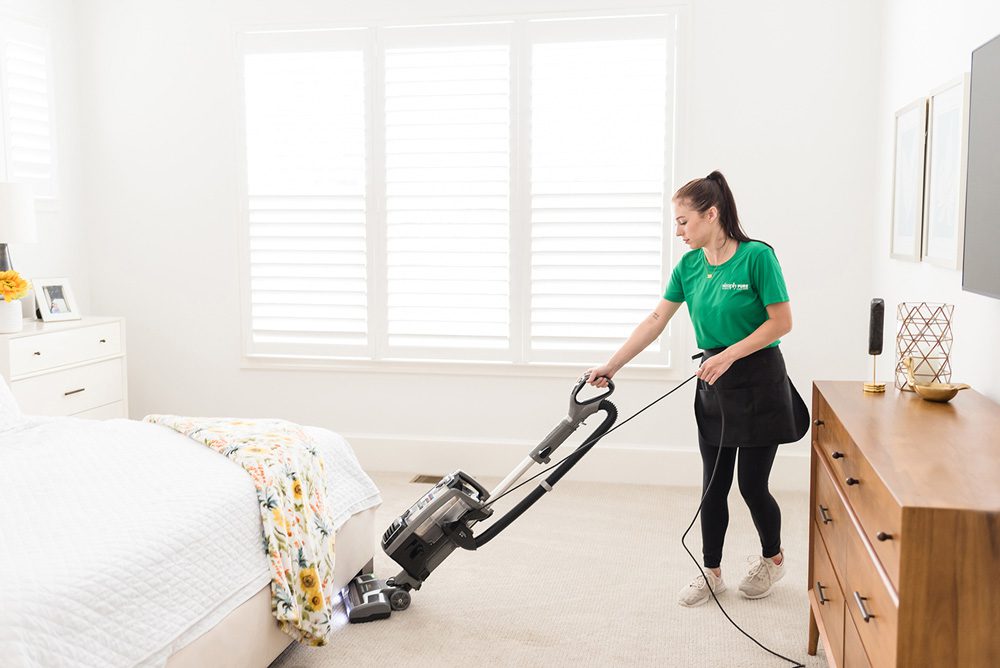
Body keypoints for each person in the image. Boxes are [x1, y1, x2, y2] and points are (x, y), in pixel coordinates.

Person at [586, 171, 808, 608]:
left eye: (683, 221)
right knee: (713, 484)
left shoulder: (757, 257)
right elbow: (655, 321)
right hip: (715, 382)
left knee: (751, 485)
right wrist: (611, 365)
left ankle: (773, 558)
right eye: (676, 222)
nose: (678, 231)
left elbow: (780, 323)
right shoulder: (688, 267)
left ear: (712, 213)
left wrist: (728, 355)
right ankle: (711, 572)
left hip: (760, 378)